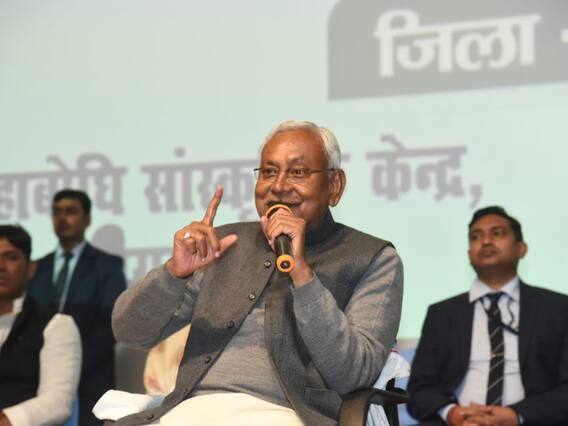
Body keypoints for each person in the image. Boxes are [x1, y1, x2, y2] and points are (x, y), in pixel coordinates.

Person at [110, 120, 404, 425]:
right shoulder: (224, 244)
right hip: (194, 410)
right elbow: (130, 332)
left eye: (298, 172)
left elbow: (354, 374)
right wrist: (173, 274)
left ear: (335, 186)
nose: (279, 186)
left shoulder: (373, 258)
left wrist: (303, 275)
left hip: (290, 416)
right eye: (268, 172)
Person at [407, 206, 568, 426]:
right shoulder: (442, 314)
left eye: (497, 233)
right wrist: (454, 414)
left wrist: (515, 415)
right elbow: (418, 390)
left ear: (521, 248)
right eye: (476, 237)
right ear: (468, 255)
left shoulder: (558, 308)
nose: (485, 242)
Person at [27, 190, 127, 426]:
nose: (62, 218)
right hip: (38, 382)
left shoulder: (108, 266)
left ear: (87, 218)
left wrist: (67, 365)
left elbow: (111, 325)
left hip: (90, 380)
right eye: (57, 212)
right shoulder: (36, 267)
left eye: (71, 211)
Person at [0, 225, 81, 426]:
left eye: (10, 257)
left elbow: (56, 404)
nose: (0, 266)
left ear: (30, 268)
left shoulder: (56, 325)